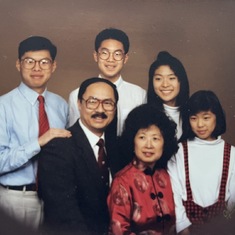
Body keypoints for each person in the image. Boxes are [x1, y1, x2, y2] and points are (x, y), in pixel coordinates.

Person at [0, 36, 71, 230]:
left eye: (44, 62)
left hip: (53, 201)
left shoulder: (61, 105)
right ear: (18, 64)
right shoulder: (3, 106)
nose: (37, 68)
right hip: (14, 199)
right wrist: (38, 143)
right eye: (29, 61)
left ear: (53, 66)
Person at [38, 77, 119, 235]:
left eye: (108, 103)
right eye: (92, 101)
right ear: (79, 104)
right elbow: (63, 213)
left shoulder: (117, 148)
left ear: (115, 109)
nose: (100, 110)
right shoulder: (58, 147)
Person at [167, 90, 235, 235]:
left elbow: (233, 199)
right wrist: (183, 226)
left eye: (206, 118)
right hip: (187, 227)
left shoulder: (232, 153)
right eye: (193, 118)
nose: (200, 124)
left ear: (217, 118)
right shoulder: (179, 150)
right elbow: (175, 191)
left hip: (222, 227)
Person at [107, 104, 179, 235]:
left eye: (155, 138)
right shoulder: (122, 181)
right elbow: (119, 231)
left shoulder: (168, 175)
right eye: (142, 137)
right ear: (132, 142)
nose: (149, 145)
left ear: (165, 143)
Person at [68, 27, 146, 135]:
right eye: (105, 53)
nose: (110, 59)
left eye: (117, 54)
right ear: (96, 56)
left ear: (125, 58)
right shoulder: (77, 95)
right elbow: (75, 136)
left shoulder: (139, 95)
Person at [147, 51, 189, 140]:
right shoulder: (144, 114)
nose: (165, 84)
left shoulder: (192, 113)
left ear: (181, 81)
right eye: (158, 79)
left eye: (171, 78)